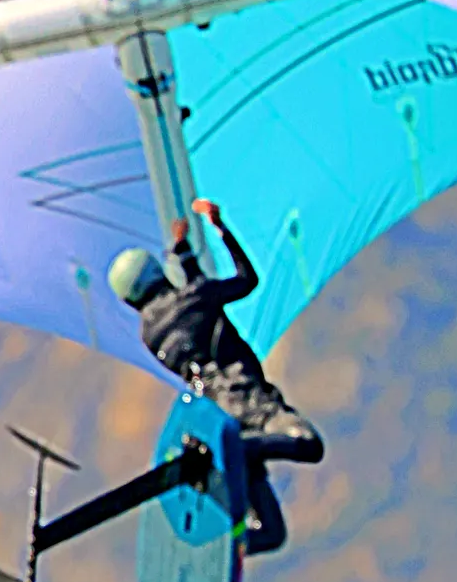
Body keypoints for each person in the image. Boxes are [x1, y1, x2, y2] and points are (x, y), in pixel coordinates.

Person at [107, 199, 321, 555]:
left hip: (221, 419)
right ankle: (241, 452)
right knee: (309, 444)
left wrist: (185, 252)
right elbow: (246, 280)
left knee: (271, 534)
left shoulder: (151, 337)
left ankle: (222, 544)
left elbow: (193, 306)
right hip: (251, 403)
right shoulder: (195, 297)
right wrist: (219, 228)